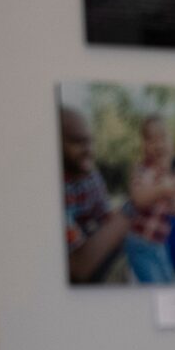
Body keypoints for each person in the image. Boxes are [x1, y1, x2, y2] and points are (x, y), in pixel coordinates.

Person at [60, 104, 130, 285]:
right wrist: (134, 206)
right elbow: (78, 267)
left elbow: (104, 217)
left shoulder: (91, 176)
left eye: (90, 141)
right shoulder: (50, 188)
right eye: (77, 141)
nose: (89, 150)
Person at [119, 114, 175, 283]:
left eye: (163, 137)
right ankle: (133, 274)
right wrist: (162, 189)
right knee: (155, 285)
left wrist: (173, 193)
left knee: (169, 283)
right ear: (144, 146)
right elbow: (139, 200)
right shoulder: (141, 170)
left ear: (172, 144)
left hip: (160, 245)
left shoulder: (171, 177)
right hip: (140, 244)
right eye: (151, 139)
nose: (158, 144)